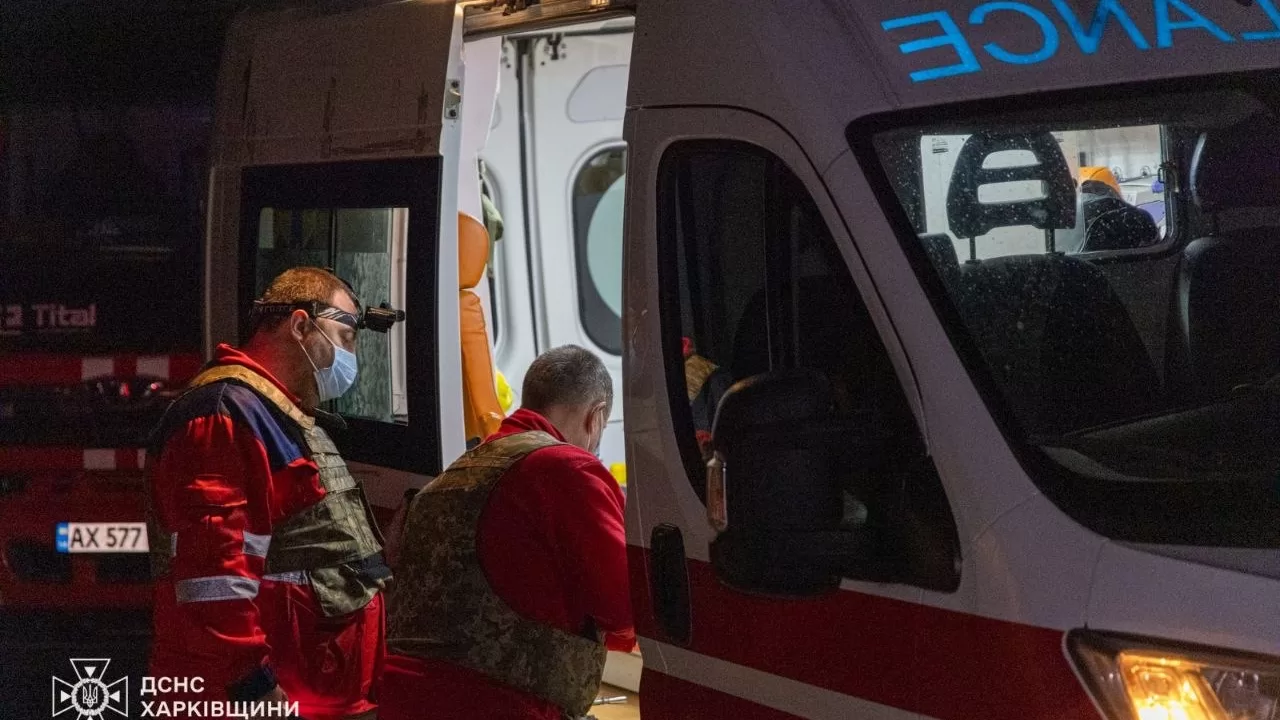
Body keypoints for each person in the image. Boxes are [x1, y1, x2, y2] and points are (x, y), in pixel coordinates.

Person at [145, 267, 395, 720]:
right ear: (301, 325)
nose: (352, 354)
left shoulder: (279, 414)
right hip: (250, 699)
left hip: (311, 690)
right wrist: (252, 686)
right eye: (347, 335)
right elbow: (213, 576)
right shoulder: (223, 416)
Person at [379, 345, 634, 720]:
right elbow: (625, 611)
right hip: (500, 705)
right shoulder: (567, 469)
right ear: (596, 418)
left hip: (401, 699)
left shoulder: (459, 470)